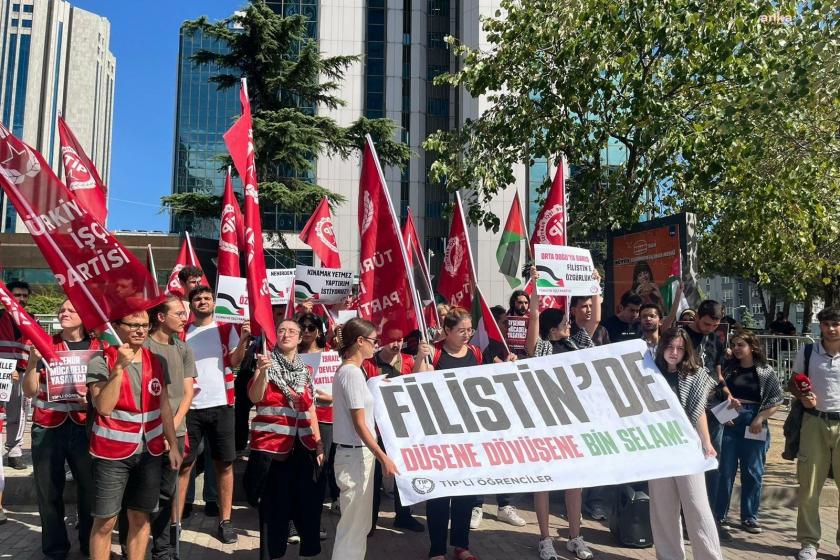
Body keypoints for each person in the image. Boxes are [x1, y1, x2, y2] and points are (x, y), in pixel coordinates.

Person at [86, 311, 182, 560]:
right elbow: (104, 407)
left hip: (149, 453)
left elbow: (164, 406)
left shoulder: (157, 360)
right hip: (111, 454)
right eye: (134, 325)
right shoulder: (100, 360)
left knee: (140, 518)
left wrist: (172, 444)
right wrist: (118, 368)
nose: (141, 330)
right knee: (106, 522)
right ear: (117, 327)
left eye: (145, 325)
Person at [117, 296, 196, 559]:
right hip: (142, 437)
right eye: (179, 313)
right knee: (135, 498)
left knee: (166, 494)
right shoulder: (141, 346)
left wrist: (171, 432)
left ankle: (162, 549)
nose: (185, 317)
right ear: (160, 317)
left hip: (174, 433)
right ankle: (131, 547)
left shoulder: (183, 348)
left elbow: (187, 393)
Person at [22, 299, 100, 559]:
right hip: (48, 425)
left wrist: (91, 398)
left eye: (71, 309)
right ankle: (55, 548)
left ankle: (91, 544)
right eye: (62, 310)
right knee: (48, 490)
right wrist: (33, 362)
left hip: (83, 425)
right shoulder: (44, 343)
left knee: (90, 489)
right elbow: (30, 390)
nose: (64, 313)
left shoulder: (99, 345)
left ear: (84, 315)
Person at [525, 268, 593, 560]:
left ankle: (575, 537)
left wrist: (594, 285)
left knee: (573, 483)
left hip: (574, 422)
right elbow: (533, 320)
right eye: (565, 321)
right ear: (553, 328)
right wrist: (536, 287)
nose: (571, 324)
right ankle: (545, 538)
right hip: (546, 424)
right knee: (545, 482)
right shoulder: (543, 349)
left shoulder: (578, 344)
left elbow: (595, 319)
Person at [248, 318, 325, 560]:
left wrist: (319, 442)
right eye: (281, 330)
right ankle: (273, 555)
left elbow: (310, 408)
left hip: (303, 447)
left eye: (292, 331)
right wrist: (261, 372)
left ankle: (308, 553)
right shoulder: (265, 363)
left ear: (301, 338)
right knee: (274, 510)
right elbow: (254, 397)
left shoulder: (306, 371)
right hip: (272, 449)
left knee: (307, 506)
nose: (286, 334)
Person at [178, 286, 250, 544]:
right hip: (190, 408)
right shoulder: (182, 332)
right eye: (198, 298)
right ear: (191, 304)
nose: (203, 301)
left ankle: (225, 520)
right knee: (184, 464)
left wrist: (242, 341)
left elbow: (235, 361)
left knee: (225, 465)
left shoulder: (225, 328)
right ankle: (174, 523)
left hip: (222, 405)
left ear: (213, 302)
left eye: (207, 298)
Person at [649, 327, 723, 560]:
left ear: (687, 350)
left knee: (697, 505)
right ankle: (669, 555)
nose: (674, 352)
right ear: (662, 348)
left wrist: (706, 442)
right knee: (662, 508)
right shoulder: (649, 372)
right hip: (659, 445)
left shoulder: (694, 374)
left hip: (687, 444)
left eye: (680, 348)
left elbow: (698, 411)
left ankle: (710, 556)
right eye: (670, 347)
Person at [331, 318, 399, 560]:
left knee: (358, 525)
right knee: (353, 526)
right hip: (355, 456)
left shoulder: (354, 371)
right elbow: (359, 423)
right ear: (360, 342)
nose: (376, 346)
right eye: (373, 341)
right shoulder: (351, 372)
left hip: (358, 455)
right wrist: (383, 457)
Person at [424, 308, 482, 560]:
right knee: (438, 494)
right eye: (462, 330)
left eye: (469, 330)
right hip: (438, 435)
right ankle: (437, 549)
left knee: (464, 493)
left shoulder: (476, 353)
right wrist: (420, 357)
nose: (467, 335)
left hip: (467, 434)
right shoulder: (434, 353)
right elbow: (418, 384)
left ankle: (461, 544)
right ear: (447, 331)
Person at [361, 325, 429, 533]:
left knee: (402, 473)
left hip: (402, 428)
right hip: (377, 428)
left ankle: (403, 515)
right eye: (392, 340)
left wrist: (420, 359)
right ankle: (369, 522)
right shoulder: (369, 363)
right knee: (374, 477)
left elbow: (419, 383)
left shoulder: (408, 361)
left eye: (400, 340)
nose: (397, 344)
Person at [714, 330, 782, 534]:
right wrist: (725, 413)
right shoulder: (728, 370)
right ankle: (719, 515)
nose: (736, 348)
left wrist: (759, 418)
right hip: (730, 420)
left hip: (754, 420)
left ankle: (750, 516)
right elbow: (717, 392)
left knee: (753, 471)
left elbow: (776, 399)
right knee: (725, 470)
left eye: (740, 344)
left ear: (751, 346)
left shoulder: (765, 370)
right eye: (733, 344)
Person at [789, 307, 840, 560]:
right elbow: (793, 382)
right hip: (814, 421)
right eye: (826, 324)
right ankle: (809, 542)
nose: (831, 328)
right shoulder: (809, 351)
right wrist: (803, 396)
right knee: (809, 486)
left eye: (836, 323)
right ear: (820, 326)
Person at [684, 299, 737, 536]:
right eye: (706, 323)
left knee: (713, 461)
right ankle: (686, 517)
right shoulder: (681, 336)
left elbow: (717, 371)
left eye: (715, 324)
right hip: (688, 407)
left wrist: (727, 392)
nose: (710, 328)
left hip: (713, 407)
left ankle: (711, 518)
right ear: (697, 316)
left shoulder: (715, 338)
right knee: (688, 463)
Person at [1, 280, 32, 470]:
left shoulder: (31, 320)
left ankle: (14, 451)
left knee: (18, 414)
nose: (21, 299)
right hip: (2, 371)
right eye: (17, 295)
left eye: (25, 295)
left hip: (20, 373)